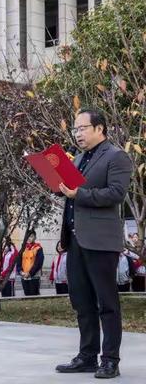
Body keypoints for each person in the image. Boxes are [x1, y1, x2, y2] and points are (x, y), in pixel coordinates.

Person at [55, 109, 133, 379]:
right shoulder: (76, 160)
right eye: (75, 129)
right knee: (81, 301)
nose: (77, 134)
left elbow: (116, 194)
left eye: (82, 128)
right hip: (75, 240)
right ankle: (87, 355)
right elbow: (72, 194)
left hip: (100, 241)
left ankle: (110, 359)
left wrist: (80, 193)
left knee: (107, 303)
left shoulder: (116, 156)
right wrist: (60, 185)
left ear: (99, 128)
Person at [17, 230, 44, 296]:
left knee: (34, 296)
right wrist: (20, 271)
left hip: (34, 276)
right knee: (26, 295)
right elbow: (18, 261)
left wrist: (30, 273)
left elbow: (38, 263)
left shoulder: (38, 248)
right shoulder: (23, 248)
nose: (29, 238)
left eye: (31, 236)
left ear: (35, 238)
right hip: (24, 276)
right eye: (27, 236)